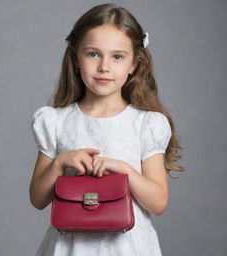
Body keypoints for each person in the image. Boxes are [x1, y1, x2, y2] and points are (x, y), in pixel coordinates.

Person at [30, 3, 183, 256]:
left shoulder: (146, 124)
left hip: (129, 248)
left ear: (134, 63)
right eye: (93, 54)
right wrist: (59, 164)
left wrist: (125, 170)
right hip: (69, 248)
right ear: (76, 59)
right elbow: (37, 199)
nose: (104, 66)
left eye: (117, 56)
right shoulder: (55, 121)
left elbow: (158, 202)